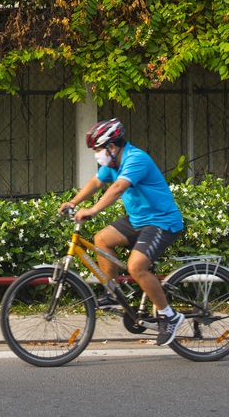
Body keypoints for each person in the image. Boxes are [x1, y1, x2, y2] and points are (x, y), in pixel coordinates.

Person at [58, 118, 186, 346]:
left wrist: (94, 210)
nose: (97, 154)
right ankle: (113, 292)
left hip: (161, 221)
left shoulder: (135, 159)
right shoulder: (113, 164)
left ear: (112, 146)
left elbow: (117, 188)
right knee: (101, 239)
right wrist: (74, 202)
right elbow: (96, 182)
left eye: (97, 149)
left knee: (136, 266)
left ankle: (169, 315)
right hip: (139, 220)